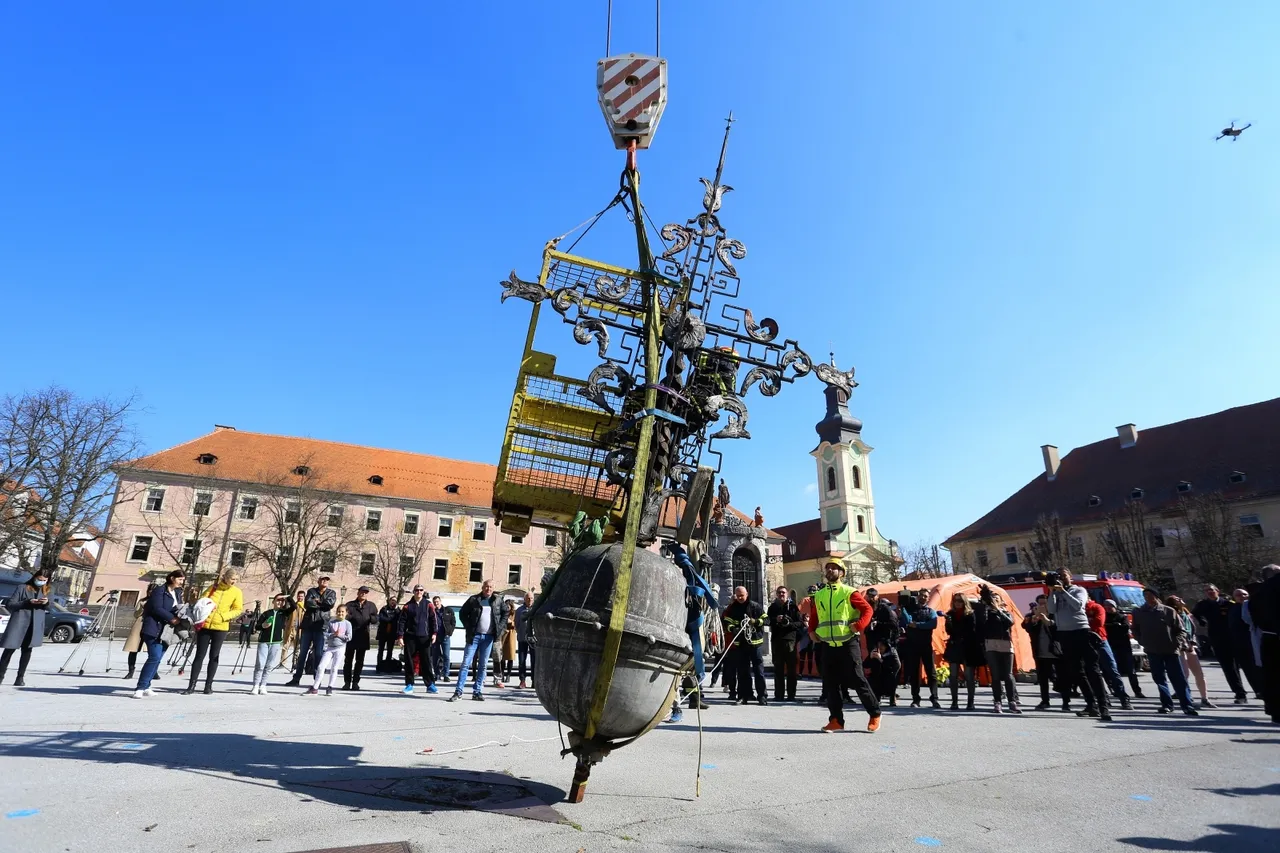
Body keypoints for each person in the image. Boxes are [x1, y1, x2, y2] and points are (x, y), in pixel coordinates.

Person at [807, 562, 880, 733]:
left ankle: (875, 713)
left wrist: (859, 625)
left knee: (858, 680)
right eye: (828, 568)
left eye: (834, 568)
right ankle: (836, 720)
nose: (830, 570)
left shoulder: (849, 592)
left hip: (848, 642)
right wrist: (811, 630)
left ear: (841, 573)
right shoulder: (819, 594)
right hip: (827, 644)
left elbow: (867, 610)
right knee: (831, 683)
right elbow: (815, 615)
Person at [1047, 568, 1111, 722]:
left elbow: (1077, 606)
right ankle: (1091, 705)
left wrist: (1063, 591)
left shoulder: (1079, 590)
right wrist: (1052, 591)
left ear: (1070, 577)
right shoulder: (1055, 592)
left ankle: (1103, 706)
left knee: (1093, 670)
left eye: (1064, 576)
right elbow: (1051, 609)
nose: (1061, 579)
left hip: (1081, 631)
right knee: (1076, 671)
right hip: (1064, 633)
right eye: (1058, 577)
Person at [665, 543, 718, 722]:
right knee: (677, 673)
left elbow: (696, 582)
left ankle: (694, 700)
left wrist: (702, 569)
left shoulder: (690, 585)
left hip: (692, 629)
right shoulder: (676, 581)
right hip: (681, 629)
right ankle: (676, 707)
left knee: (692, 669)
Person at [1132, 587, 1198, 715]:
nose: (1147, 597)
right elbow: (1135, 629)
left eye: (1150, 595)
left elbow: (1181, 630)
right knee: (1159, 678)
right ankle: (1167, 704)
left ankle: (1187, 705)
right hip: (1152, 651)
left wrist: (1176, 644)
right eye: (1145, 595)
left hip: (1170, 650)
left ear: (1156, 596)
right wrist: (1142, 641)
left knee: (1178, 679)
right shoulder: (1139, 612)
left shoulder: (1168, 611)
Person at [185, 569, 243, 695]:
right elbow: (202, 602)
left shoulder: (236, 592)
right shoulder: (213, 588)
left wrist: (224, 616)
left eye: (236, 580)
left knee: (214, 656)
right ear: (225, 577)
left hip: (220, 627)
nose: (234, 582)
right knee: (199, 655)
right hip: (205, 625)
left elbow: (238, 609)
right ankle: (191, 685)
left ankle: (208, 685)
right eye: (232, 579)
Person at [451, 580, 506, 702]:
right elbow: (462, 613)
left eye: (491, 587)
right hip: (474, 636)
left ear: (493, 588)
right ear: (482, 587)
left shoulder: (497, 600)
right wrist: (468, 626)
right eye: (486, 586)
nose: (488, 589)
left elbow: (505, 612)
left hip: (488, 637)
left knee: (483, 665)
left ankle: (477, 692)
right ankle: (458, 691)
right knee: (465, 663)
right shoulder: (474, 599)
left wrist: (500, 628)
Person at [1193, 584, 1249, 704]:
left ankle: (1259, 690)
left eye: (1212, 590)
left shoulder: (1228, 604)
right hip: (1217, 639)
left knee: (1247, 665)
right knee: (1229, 668)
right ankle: (1240, 693)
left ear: (1217, 591)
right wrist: (1202, 621)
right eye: (1207, 591)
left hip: (1234, 638)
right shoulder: (1203, 605)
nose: (1210, 592)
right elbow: (1195, 613)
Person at [134, 570, 185, 697]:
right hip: (153, 627)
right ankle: (140, 687)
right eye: (180, 579)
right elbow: (156, 608)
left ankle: (147, 686)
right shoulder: (160, 590)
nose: (182, 582)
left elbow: (177, 606)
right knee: (154, 657)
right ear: (172, 578)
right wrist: (172, 618)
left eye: (183, 580)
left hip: (167, 630)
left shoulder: (177, 592)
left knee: (158, 659)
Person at [974, 584, 1019, 714]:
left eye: (997, 599)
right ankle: (997, 701)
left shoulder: (1005, 612)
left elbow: (1009, 623)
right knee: (995, 675)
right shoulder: (986, 613)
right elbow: (981, 623)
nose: (994, 600)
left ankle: (1012, 701)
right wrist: (986, 607)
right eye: (992, 598)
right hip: (991, 643)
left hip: (1005, 643)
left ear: (1001, 601)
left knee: (1008, 674)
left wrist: (998, 610)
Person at [287, 577, 337, 686]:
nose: (324, 582)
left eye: (326, 580)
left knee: (318, 654)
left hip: (321, 626)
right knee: (302, 653)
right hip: (308, 625)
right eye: (322, 580)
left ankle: (317, 680)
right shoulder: (311, 591)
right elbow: (308, 604)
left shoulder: (331, 593)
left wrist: (318, 602)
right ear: (318, 582)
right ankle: (296, 678)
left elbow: (330, 604)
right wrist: (321, 604)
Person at [722, 586, 768, 705]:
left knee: (759, 671)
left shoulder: (755, 606)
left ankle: (762, 696)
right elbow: (726, 621)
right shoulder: (733, 608)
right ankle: (744, 695)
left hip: (755, 644)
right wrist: (734, 629)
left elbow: (766, 620)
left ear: (747, 594)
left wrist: (755, 622)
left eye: (742, 595)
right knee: (742, 672)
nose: (740, 598)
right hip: (741, 644)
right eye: (738, 596)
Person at [1246, 564, 1280, 724]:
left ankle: (1275, 710)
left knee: (1271, 675)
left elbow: (1254, 616)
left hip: (1267, 637)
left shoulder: (1257, 592)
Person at [1086, 598, 1132, 710]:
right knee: (1093, 673)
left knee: (1112, 670)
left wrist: (1086, 621)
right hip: (1086, 641)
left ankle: (1123, 698)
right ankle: (1103, 698)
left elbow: (1099, 622)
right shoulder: (1077, 609)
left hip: (1100, 640)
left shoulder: (1096, 607)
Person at [1167, 596, 1212, 707]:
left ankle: (1205, 698)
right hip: (1181, 647)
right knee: (1184, 673)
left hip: (1190, 646)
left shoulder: (1186, 615)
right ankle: (1187, 698)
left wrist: (1193, 643)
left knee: (1199, 673)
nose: (1180, 599)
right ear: (1173, 603)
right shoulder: (1172, 614)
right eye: (1177, 599)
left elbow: (1191, 631)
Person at [901, 592, 941, 708]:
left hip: (926, 646)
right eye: (921, 595)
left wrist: (917, 625)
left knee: (931, 673)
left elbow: (932, 624)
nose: (923, 597)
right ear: (918, 597)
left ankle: (934, 698)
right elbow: (908, 621)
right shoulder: (911, 610)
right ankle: (915, 699)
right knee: (914, 673)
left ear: (928, 598)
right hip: (912, 645)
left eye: (925, 596)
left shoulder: (930, 611)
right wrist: (903, 607)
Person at [1023, 594, 1064, 711]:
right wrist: (1034, 619)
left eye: (1044, 603)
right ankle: (1045, 700)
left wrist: (1047, 620)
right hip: (1040, 652)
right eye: (1040, 603)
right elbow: (1025, 627)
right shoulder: (1032, 616)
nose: (1042, 606)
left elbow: (1058, 628)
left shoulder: (1055, 615)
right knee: (1043, 678)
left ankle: (1065, 701)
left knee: (1062, 676)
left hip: (1056, 650)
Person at [250, 592, 295, 695]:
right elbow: (257, 626)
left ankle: (263, 685)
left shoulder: (283, 613)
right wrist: (263, 626)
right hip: (264, 641)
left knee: (269, 665)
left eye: (282, 601)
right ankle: (256, 685)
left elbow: (294, 606)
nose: (280, 602)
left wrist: (287, 597)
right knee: (260, 664)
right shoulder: (266, 613)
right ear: (273, 601)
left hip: (275, 642)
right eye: (278, 600)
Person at [944, 592, 982, 711]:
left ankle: (970, 702)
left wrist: (956, 628)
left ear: (964, 602)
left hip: (968, 646)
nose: (957, 603)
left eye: (960, 600)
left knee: (969, 676)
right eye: (955, 600)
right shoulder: (950, 614)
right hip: (954, 645)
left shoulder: (970, 614)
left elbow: (971, 631)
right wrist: (949, 622)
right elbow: (949, 631)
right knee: (953, 675)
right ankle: (954, 702)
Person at [397, 585, 439, 695]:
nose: (419, 592)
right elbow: (401, 622)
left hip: (424, 636)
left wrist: (434, 633)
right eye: (416, 590)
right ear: (413, 592)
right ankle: (409, 685)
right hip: (410, 637)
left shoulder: (428, 604)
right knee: (409, 662)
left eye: (421, 590)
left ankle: (430, 684)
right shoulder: (407, 606)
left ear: (423, 591)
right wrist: (400, 636)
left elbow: (433, 620)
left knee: (426, 661)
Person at [863, 588, 901, 707]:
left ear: (877, 596)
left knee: (894, 667)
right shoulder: (866, 608)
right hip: (873, 644)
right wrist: (869, 626)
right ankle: (877, 696)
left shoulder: (884, 608)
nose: (871, 598)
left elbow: (894, 625)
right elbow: (864, 627)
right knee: (876, 670)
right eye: (869, 596)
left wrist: (878, 623)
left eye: (873, 596)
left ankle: (892, 695)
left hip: (887, 644)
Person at [1103, 600, 1145, 699]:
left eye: (1110, 606)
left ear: (1114, 606)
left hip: (1124, 647)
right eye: (1106, 606)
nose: (1108, 608)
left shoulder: (1122, 616)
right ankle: (1115, 690)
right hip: (1111, 647)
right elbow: (1104, 628)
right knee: (1112, 670)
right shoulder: (1104, 617)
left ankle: (1137, 691)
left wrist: (1115, 626)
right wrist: (1116, 626)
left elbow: (1125, 627)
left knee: (1131, 671)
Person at [767, 585, 801, 702]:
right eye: (779, 593)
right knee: (778, 670)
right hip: (776, 641)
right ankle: (779, 695)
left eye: (783, 593)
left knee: (791, 670)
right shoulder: (772, 608)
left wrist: (789, 624)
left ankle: (791, 695)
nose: (781, 595)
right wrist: (776, 620)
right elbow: (767, 621)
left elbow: (800, 623)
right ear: (777, 594)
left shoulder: (793, 607)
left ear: (787, 594)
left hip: (790, 641)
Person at [309, 604, 352, 696]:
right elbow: (326, 634)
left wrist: (339, 635)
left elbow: (349, 637)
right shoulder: (332, 622)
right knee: (321, 667)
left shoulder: (347, 624)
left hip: (340, 648)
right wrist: (332, 635)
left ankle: (330, 687)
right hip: (330, 648)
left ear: (346, 613)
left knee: (334, 668)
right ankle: (315, 687)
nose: (340, 613)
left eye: (342, 612)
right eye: (339, 611)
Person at [339, 586, 377, 690]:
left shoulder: (371, 605)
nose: (363, 594)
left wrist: (371, 618)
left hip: (363, 635)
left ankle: (355, 682)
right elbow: (344, 617)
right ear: (358, 592)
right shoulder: (350, 605)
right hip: (351, 635)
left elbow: (375, 618)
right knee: (348, 660)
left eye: (365, 592)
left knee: (360, 661)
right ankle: (347, 682)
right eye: (362, 592)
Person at [1227, 589, 1261, 700]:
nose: (1242, 596)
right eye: (1238, 595)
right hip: (1239, 643)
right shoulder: (1232, 608)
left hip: (1254, 641)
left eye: (1244, 594)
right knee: (1248, 669)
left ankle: (1263, 689)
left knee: (1259, 668)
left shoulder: (1254, 606)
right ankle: (1258, 691)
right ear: (1234, 597)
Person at [122, 584, 155, 680]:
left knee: (152, 651)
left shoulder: (158, 602)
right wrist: (142, 609)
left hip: (151, 625)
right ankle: (130, 671)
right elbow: (135, 614)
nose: (151, 592)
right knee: (133, 649)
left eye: (153, 591)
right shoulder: (142, 601)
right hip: (139, 625)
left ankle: (154, 672)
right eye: (149, 590)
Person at [433, 596, 457, 683]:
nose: (436, 603)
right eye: (434, 602)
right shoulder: (432, 612)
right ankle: (436, 674)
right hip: (435, 637)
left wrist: (449, 632)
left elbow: (453, 622)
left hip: (445, 636)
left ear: (440, 601)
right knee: (435, 657)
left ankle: (446, 675)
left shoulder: (447, 611)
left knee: (446, 656)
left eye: (437, 601)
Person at [514, 592, 535, 689]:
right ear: (524, 599)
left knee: (534, 661)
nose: (529, 600)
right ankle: (522, 681)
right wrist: (521, 632)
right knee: (522, 661)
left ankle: (534, 681)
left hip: (534, 640)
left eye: (531, 598)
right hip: (522, 638)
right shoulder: (519, 610)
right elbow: (516, 624)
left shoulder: (537, 609)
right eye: (528, 598)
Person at [376, 597, 400, 672]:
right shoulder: (384, 609)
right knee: (380, 650)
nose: (393, 602)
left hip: (392, 634)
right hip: (383, 633)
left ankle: (387, 666)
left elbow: (399, 618)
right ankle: (379, 666)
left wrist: (396, 609)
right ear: (389, 601)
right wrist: (391, 620)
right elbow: (381, 618)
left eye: (395, 601)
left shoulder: (397, 611)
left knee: (390, 651)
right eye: (392, 600)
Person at [498, 600, 518, 684]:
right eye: (505, 606)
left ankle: (508, 675)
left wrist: (511, 622)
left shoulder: (515, 614)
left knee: (510, 656)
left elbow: (517, 624)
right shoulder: (502, 613)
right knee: (502, 657)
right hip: (503, 635)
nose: (507, 607)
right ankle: (502, 674)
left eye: (508, 606)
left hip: (511, 636)